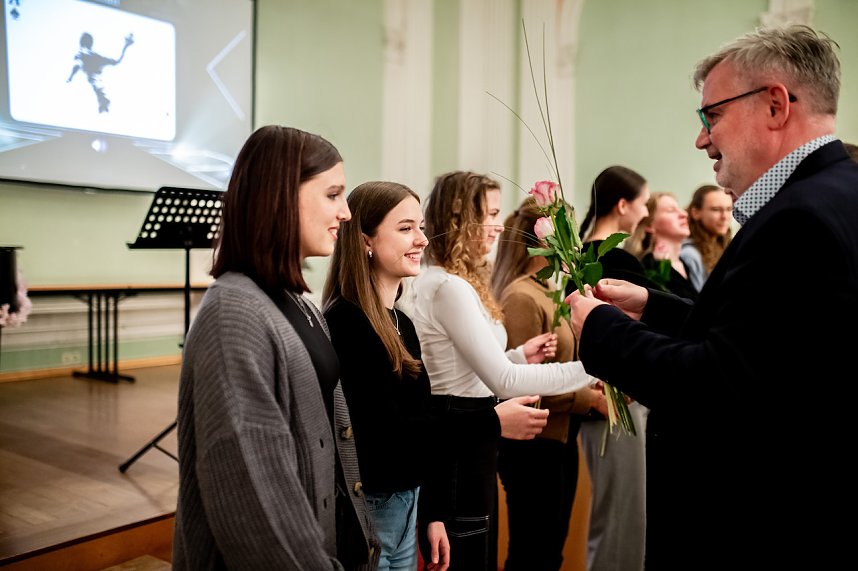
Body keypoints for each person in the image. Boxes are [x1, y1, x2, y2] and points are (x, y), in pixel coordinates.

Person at [567, 25, 858, 569]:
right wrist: (654, 307)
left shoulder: (798, 219)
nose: (702, 139)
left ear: (775, 105)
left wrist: (602, 330)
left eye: (712, 115)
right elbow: (768, 348)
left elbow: (718, 387)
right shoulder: (838, 194)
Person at [172, 125, 380, 570]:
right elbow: (255, 502)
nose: (345, 212)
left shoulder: (297, 303)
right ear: (282, 195)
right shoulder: (235, 314)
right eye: (332, 195)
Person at [323, 181, 551, 571]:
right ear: (366, 241)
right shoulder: (346, 322)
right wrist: (492, 421)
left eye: (422, 227)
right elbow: (391, 437)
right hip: (370, 510)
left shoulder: (401, 322)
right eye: (406, 228)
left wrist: (435, 513)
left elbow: (426, 419)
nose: (422, 240)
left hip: (408, 503)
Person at [410, 170, 595, 571]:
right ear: (461, 219)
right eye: (489, 214)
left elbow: (473, 368)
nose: (498, 224)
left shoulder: (455, 282)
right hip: (460, 435)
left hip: (469, 431)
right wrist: (594, 368)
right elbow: (503, 383)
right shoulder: (448, 286)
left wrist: (516, 355)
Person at [490, 196, 607, 571]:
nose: (575, 243)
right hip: (533, 446)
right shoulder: (522, 296)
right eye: (567, 233)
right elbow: (523, 387)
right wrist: (585, 398)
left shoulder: (548, 290)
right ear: (545, 241)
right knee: (533, 552)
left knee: (549, 550)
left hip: (559, 438)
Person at [570, 165, 650, 571]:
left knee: (615, 514)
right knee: (621, 519)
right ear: (622, 206)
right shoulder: (614, 257)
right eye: (643, 204)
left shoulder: (579, 253)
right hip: (615, 398)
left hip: (602, 396)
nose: (646, 212)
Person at [626, 192, 698, 301]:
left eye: (679, 208)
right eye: (671, 210)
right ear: (650, 224)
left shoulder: (684, 263)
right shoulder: (648, 267)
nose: (684, 214)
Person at [678, 184, 733, 291]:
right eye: (716, 209)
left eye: (729, 209)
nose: (725, 216)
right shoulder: (689, 254)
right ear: (695, 213)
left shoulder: (727, 245)